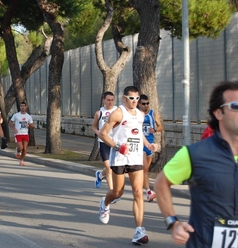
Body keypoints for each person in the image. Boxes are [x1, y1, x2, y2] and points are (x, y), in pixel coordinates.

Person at [154, 81, 238, 247]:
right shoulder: (194, 154)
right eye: (235, 106)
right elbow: (161, 183)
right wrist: (173, 223)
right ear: (218, 113)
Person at [96, 86, 157, 245]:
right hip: (120, 159)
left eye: (137, 99)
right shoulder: (118, 113)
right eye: (131, 98)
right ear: (124, 98)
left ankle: (139, 230)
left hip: (135, 158)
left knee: (138, 192)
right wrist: (117, 147)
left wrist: (148, 145)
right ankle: (105, 202)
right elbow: (103, 133)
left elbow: (139, 132)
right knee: (117, 192)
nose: (135, 102)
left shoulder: (140, 114)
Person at [138, 94, 163, 202]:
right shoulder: (136, 114)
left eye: (147, 103)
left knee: (145, 170)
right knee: (145, 168)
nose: (146, 105)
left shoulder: (153, 114)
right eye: (143, 104)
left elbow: (161, 126)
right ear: (139, 104)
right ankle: (148, 191)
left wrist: (155, 130)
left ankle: (141, 186)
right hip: (140, 143)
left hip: (150, 143)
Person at [92, 92, 117, 194]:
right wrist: (98, 132)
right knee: (109, 168)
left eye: (112, 100)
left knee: (112, 167)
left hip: (114, 142)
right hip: (103, 142)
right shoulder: (99, 113)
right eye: (108, 100)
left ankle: (100, 175)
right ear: (103, 100)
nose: (110, 102)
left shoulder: (117, 111)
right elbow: (93, 126)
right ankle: (112, 192)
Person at [9, 101, 34, 166]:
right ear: (20, 107)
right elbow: (10, 122)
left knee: (24, 148)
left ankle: (22, 160)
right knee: (20, 148)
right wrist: (14, 128)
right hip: (18, 134)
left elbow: (32, 125)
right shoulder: (16, 115)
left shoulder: (28, 116)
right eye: (21, 106)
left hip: (25, 134)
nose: (22, 107)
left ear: (26, 107)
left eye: (24, 106)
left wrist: (29, 125)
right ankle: (17, 150)